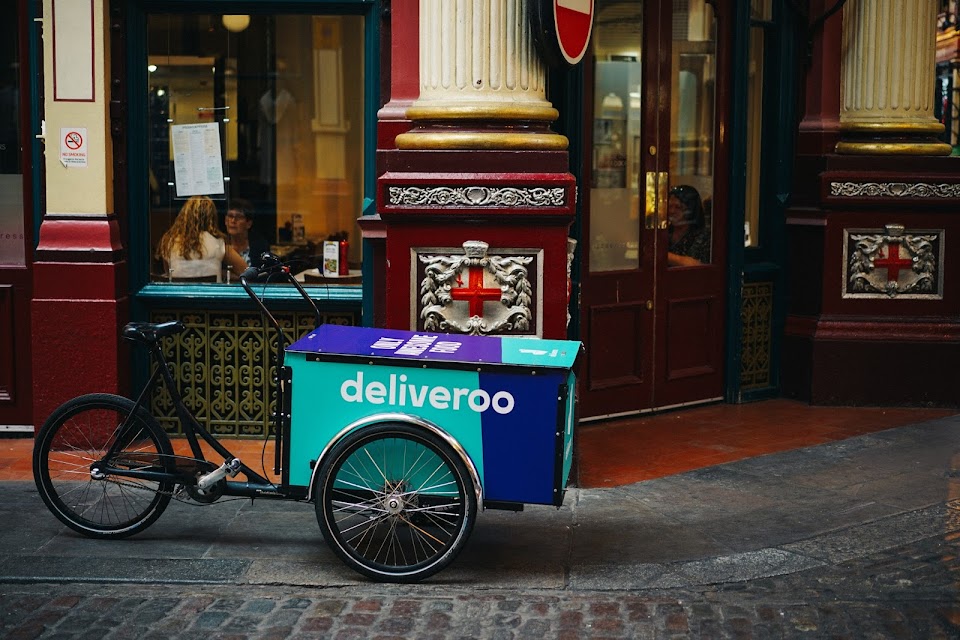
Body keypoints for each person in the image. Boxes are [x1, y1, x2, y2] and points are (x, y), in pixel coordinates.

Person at [156, 195, 248, 282]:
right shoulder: (219, 243)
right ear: (211, 217)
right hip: (210, 297)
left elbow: (169, 273)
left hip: (178, 297)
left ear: (184, 215)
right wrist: (223, 273)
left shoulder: (169, 241)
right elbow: (246, 273)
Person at [667, 185, 710, 267]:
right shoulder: (665, 232)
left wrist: (663, 255)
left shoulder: (703, 236)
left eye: (678, 207)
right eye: (670, 206)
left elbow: (696, 265)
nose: (672, 211)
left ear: (691, 209)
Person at [225, 198, 269, 268]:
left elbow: (260, 275)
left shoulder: (260, 247)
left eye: (238, 217)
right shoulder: (220, 246)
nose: (233, 221)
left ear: (248, 224)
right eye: (230, 216)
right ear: (225, 221)